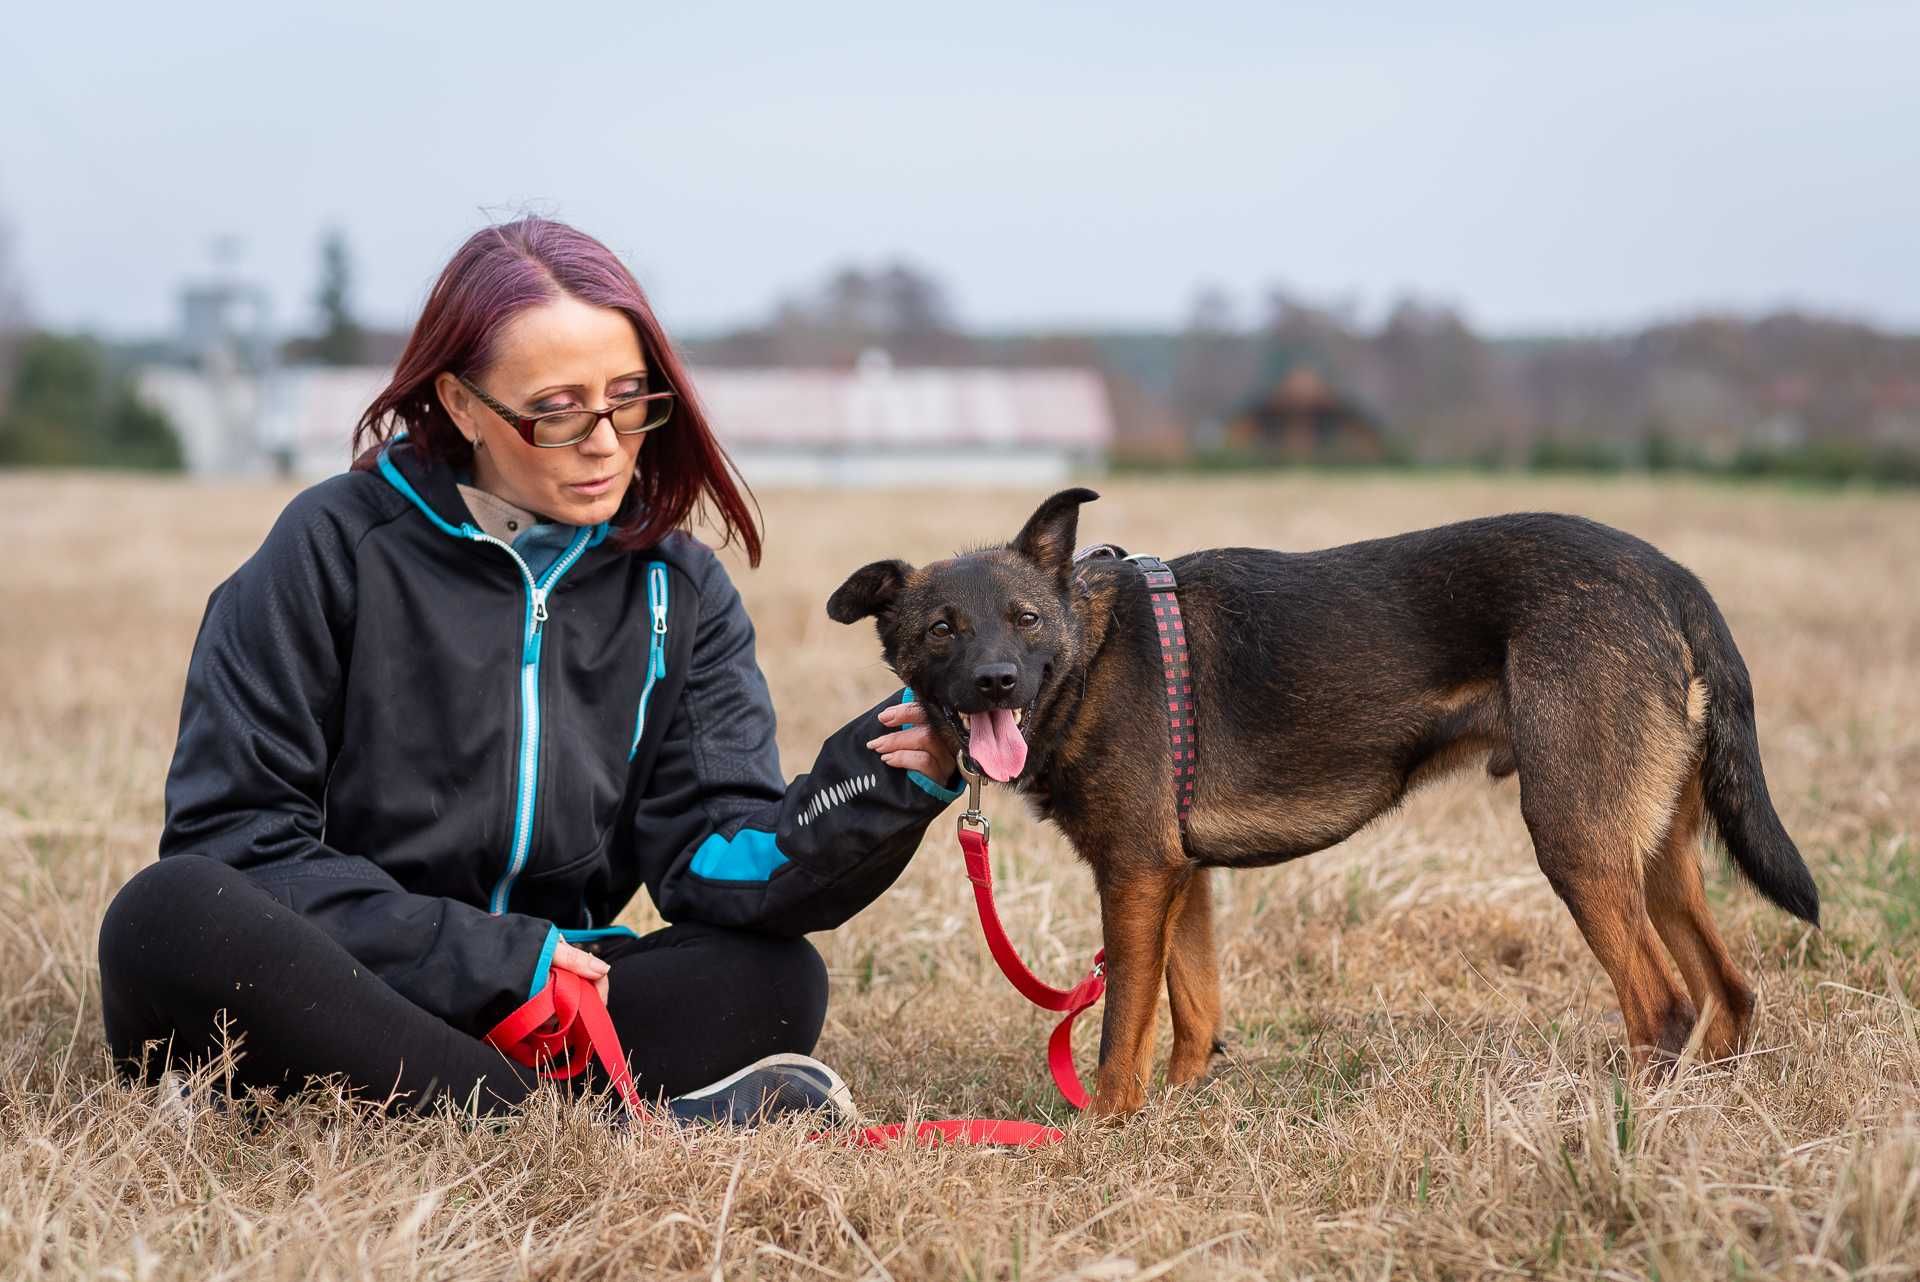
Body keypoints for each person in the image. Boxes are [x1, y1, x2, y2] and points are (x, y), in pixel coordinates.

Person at [97, 217, 964, 1125]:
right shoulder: (328, 548)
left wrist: (888, 776)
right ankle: (583, 1121)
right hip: (343, 974)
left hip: (552, 998)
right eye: (557, 410)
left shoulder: (679, 586)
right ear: (462, 405)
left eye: (631, 399)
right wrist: (488, 955)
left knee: (773, 978)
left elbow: (717, 854)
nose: (607, 443)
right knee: (170, 914)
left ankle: (464, 1105)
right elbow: (238, 839)